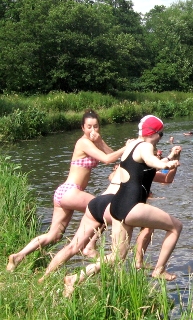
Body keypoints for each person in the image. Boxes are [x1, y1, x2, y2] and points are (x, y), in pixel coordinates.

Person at [63, 115, 182, 296]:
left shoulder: (132, 145)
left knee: (116, 257)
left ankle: (75, 278)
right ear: (154, 133)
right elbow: (152, 162)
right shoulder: (146, 146)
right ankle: (159, 270)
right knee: (176, 227)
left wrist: (171, 158)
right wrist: (164, 163)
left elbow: (148, 165)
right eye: (161, 134)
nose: (161, 138)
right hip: (131, 206)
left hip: (116, 206)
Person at [7, 109, 128, 272]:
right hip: (71, 191)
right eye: (89, 127)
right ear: (82, 128)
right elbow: (107, 159)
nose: (93, 130)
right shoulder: (83, 143)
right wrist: (128, 146)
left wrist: (100, 142)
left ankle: (18, 256)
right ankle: (90, 247)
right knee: (103, 209)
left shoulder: (94, 142)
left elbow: (113, 155)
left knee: (54, 236)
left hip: (65, 193)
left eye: (96, 126)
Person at [38, 167, 155, 282]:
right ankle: (138, 261)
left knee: (73, 246)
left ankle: (44, 278)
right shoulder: (144, 164)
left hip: (98, 202)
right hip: (113, 204)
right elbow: (165, 179)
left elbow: (112, 176)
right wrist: (167, 161)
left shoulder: (126, 161)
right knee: (148, 224)